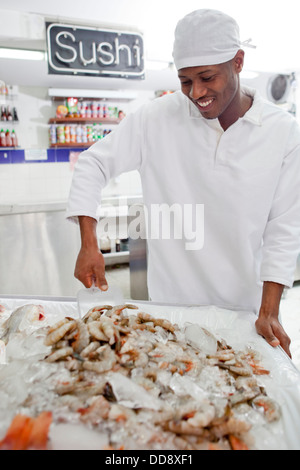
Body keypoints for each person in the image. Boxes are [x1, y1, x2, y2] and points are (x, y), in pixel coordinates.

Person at [66, 9, 300, 357]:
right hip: (168, 314)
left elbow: (284, 228)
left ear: (238, 62)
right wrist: (88, 242)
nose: (196, 92)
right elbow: (93, 163)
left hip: (242, 314)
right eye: (185, 80)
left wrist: (270, 311)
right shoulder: (156, 118)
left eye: (207, 77)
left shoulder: (283, 132)